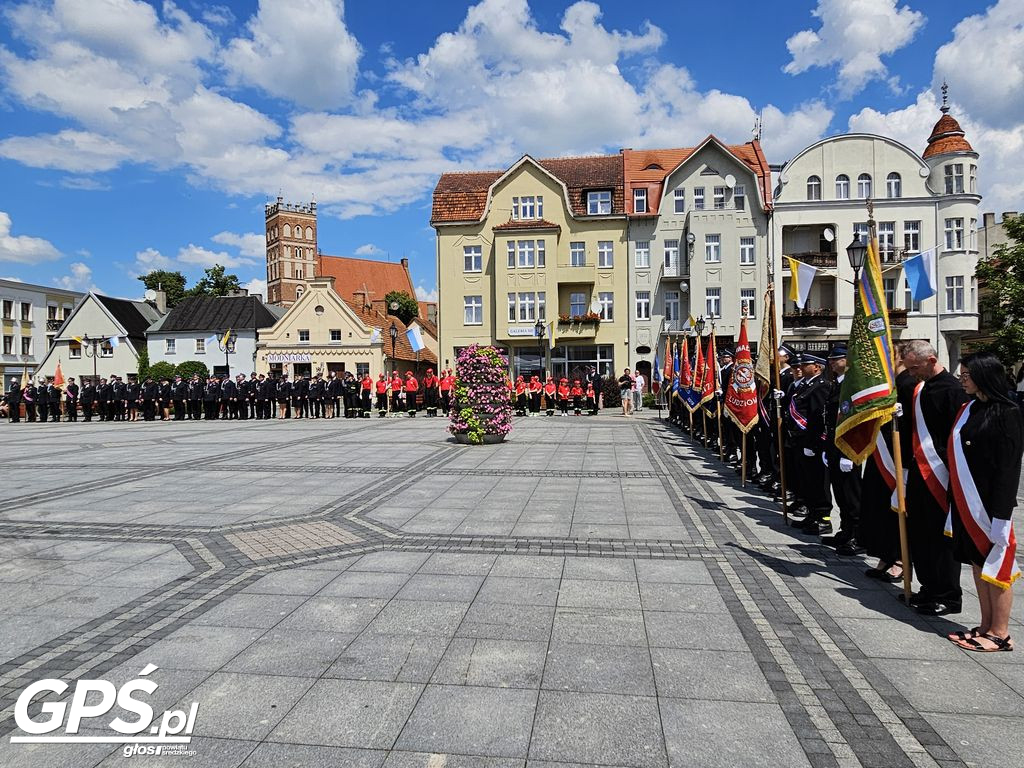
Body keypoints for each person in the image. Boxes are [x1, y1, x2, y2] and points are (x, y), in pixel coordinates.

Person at [947, 352, 1023, 652]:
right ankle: (985, 623)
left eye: (967, 375)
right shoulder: (971, 408)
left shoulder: (1008, 412)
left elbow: (1009, 468)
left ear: (984, 376)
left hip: (991, 504)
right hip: (967, 499)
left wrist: (1003, 515)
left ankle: (1000, 632)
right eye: (962, 374)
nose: (962, 379)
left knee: (997, 566)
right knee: (979, 564)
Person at [902, 339, 969, 616]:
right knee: (919, 532)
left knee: (941, 537)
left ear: (930, 360)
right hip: (919, 471)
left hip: (942, 474)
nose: (912, 373)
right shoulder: (921, 389)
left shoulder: (953, 391)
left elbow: (957, 436)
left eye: (915, 367)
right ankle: (928, 586)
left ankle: (948, 594)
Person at [859, 345, 912, 583]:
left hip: (898, 458)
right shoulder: (885, 386)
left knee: (897, 510)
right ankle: (885, 555)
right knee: (879, 507)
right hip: (880, 453)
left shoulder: (909, 385)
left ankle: (901, 560)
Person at [823, 345, 864, 555]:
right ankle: (846, 530)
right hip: (835, 444)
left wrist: (848, 453)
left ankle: (857, 535)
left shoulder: (852, 386)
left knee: (852, 495)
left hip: (848, 448)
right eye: (830, 359)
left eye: (836, 359)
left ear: (847, 360)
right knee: (840, 492)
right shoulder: (836, 384)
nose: (831, 362)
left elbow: (854, 419)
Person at [786, 354, 833, 536]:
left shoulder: (821, 387)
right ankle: (812, 514)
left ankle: (823, 518)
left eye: (805, 364)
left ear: (817, 367)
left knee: (819, 482)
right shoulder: (805, 386)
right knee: (806, 481)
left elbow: (818, 418)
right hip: (799, 440)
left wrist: (813, 444)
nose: (800, 367)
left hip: (812, 442)